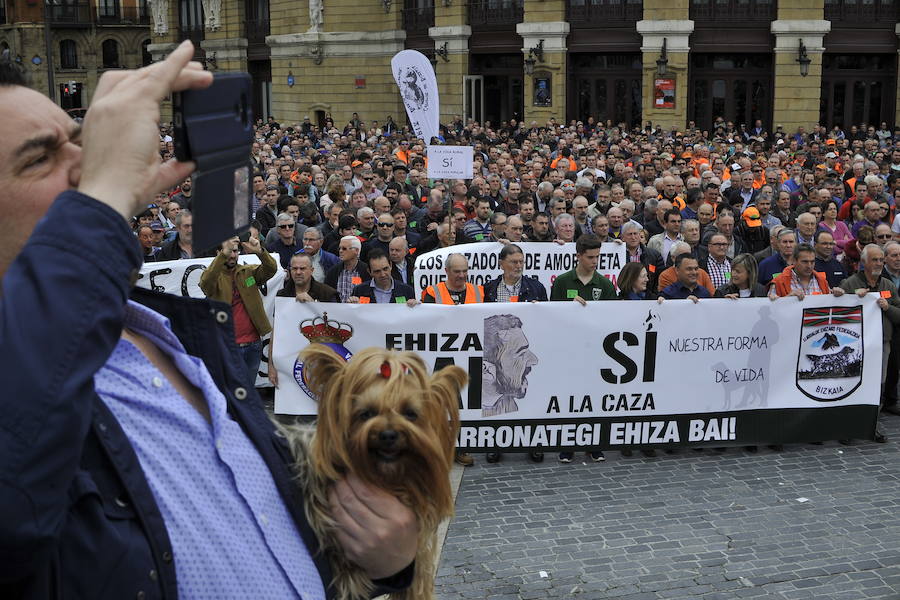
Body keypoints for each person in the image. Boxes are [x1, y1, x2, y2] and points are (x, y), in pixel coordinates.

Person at [0, 41, 416, 599]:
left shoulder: (168, 337)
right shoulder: (28, 372)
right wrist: (103, 197)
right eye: (39, 158)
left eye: (82, 141)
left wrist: (382, 561)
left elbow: (255, 535)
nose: (90, 163)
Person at [550, 234, 615, 463]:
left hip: (597, 351)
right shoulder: (562, 282)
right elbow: (552, 315)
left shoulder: (605, 284)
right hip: (569, 350)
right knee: (569, 397)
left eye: (597, 257)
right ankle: (568, 444)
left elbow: (612, 318)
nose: (594, 261)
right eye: (590, 257)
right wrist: (570, 308)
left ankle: (593, 443)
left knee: (594, 397)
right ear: (578, 256)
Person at [483, 244, 547, 464]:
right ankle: (495, 444)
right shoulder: (488, 289)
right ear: (501, 264)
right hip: (499, 353)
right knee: (501, 395)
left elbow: (547, 319)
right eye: (513, 262)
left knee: (530, 397)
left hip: (524, 350)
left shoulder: (536, 288)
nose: (518, 266)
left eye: (521, 262)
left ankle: (533, 443)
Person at [420, 253, 482, 467]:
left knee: (464, 405)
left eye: (465, 271)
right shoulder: (432, 292)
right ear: (446, 271)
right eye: (457, 271)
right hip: (442, 358)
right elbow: (424, 321)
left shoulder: (478, 291)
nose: (462, 275)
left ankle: (460, 447)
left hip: (470, 356)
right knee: (441, 404)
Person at [838, 244, 900, 443]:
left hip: (882, 344)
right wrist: (852, 299)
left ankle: (871, 426)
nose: (879, 263)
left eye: (881, 260)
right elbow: (839, 311)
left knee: (877, 386)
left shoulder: (888, 286)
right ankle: (847, 428)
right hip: (855, 346)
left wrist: (888, 307)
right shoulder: (850, 283)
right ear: (864, 262)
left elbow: (898, 315)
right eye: (875, 260)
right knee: (852, 384)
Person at [200, 234, 278, 381]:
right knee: (229, 391)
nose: (232, 255)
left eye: (235, 251)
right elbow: (205, 283)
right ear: (218, 253)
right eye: (228, 251)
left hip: (253, 345)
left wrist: (260, 251)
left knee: (248, 390)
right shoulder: (213, 278)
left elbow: (271, 269)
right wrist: (224, 254)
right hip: (226, 346)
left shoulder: (248, 273)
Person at [769, 244, 842, 299]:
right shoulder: (779, 282)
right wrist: (787, 299)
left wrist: (836, 295)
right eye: (805, 262)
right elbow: (770, 308)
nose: (809, 266)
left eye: (812, 262)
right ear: (794, 261)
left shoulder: (822, 281)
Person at [348, 250, 416, 305]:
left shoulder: (406, 291)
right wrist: (351, 304)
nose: (383, 274)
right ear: (369, 271)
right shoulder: (360, 291)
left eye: (385, 269)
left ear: (390, 266)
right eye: (377, 271)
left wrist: (415, 306)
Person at [325, 235, 370, 302]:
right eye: (339, 248)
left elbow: (371, 296)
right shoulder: (333, 271)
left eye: (344, 248)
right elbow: (327, 295)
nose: (340, 251)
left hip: (360, 308)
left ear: (356, 250)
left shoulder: (367, 271)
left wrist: (360, 301)